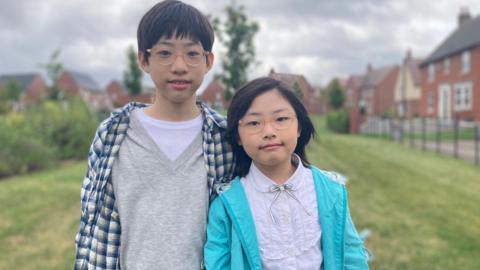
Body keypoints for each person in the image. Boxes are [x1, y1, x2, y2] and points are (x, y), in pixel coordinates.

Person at [74, 1, 234, 269]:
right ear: (143, 60)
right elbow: (94, 223)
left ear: (208, 61)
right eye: (165, 53)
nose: (179, 66)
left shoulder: (225, 139)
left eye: (192, 53)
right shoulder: (113, 135)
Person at [204, 77, 369, 270]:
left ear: (299, 127)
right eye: (254, 123)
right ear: (237, 136)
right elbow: (217, 264)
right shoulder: (225, 205)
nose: (268, 132)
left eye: (281, 119)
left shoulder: (331, 192)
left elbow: (352, 257)